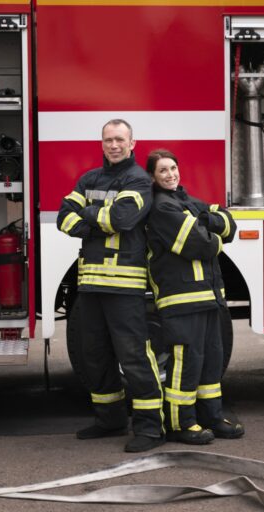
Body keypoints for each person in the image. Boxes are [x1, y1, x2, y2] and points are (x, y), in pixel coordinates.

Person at [56, 119, 164, 453]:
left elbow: (123, 219)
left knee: (133, 356)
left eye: (120, 140)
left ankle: (149, 428)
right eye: (108, 140)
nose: (113, 145)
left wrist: (89, 215)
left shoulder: (139, 180)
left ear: (133, 143)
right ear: (102, 143)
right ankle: (110, 419)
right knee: (93, 355)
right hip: (90, 285)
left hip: (125, 287)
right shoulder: (90, 178)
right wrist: (99, 217)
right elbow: (64, 218)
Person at [145, 149, 244, 445]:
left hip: (208, 296)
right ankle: (180, 423)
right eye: (163, 170)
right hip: (181, 299)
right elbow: (200, 245)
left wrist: (208, 222)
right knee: (186, 365)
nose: (170, 174)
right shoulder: (162, 208)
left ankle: (210, 416)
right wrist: (212, 229)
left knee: (211, 360)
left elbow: (230, 223)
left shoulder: (185, 201)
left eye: (173, 168)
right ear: (153, 176)